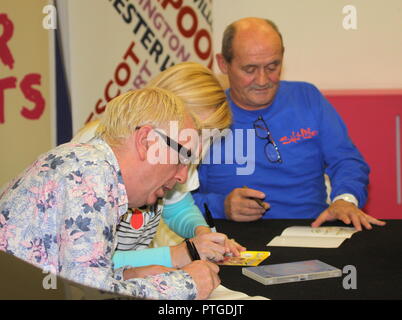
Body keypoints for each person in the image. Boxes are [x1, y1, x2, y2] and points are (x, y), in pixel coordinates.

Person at [0, 87, 220, 300]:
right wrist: (187, 284)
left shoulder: (89, 164)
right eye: (183, 159)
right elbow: (88, 294)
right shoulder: (89, 175)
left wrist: (126, 276)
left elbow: (73, 278)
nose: (182, 176)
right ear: (146, 141)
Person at [192, 17, 386, 231]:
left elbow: (347, 161)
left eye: (273, 66)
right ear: (223, 64)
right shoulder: (203, 116)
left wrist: (345, 199)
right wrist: (221, 207)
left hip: (311, 231)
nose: (263, 80)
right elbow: (174, 201)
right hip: (230, 240)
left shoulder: (307, 98)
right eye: (249, 69)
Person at [72, 62, 245, 272]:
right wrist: (180, 254)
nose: (199, 149)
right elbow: (85, 262)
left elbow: (177, 205)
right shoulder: (93, 160)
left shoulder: (178, 154)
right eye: (196, 132)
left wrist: (202, 234)